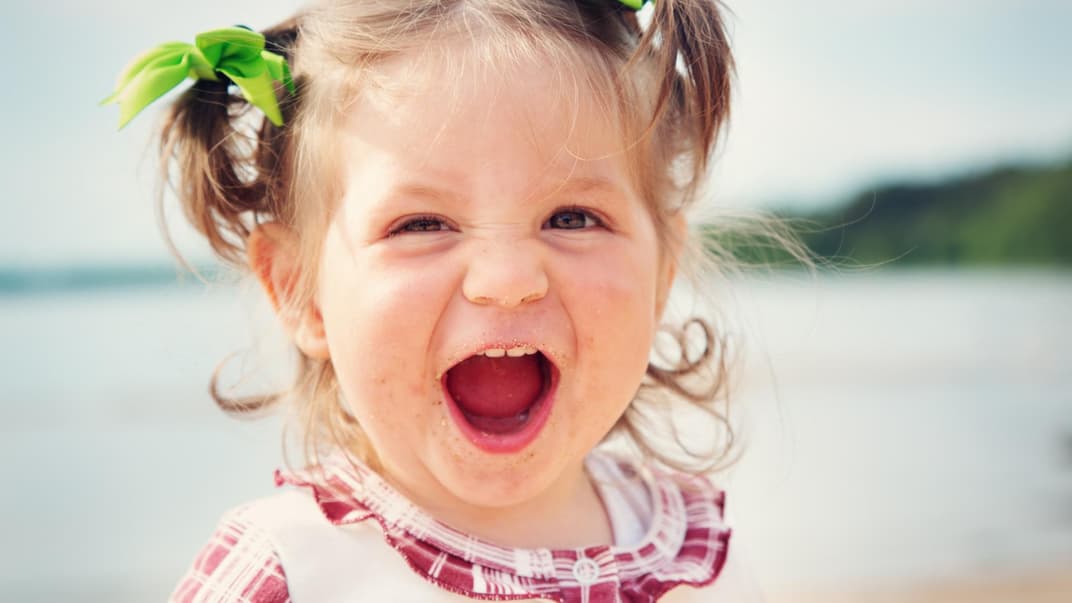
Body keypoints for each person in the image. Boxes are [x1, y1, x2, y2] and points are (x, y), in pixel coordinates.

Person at [105, 0, 773, 600]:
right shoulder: (292, 572)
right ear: (299, 290)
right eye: (422, 224)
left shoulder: (698, 556)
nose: (507, 279)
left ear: (661, 276)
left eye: (572, 217)